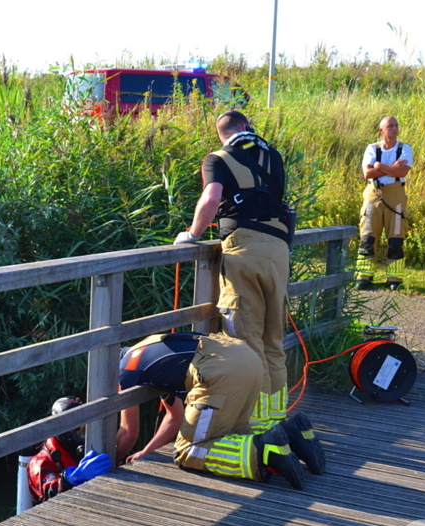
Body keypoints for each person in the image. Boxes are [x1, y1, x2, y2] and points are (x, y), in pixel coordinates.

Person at [173, 110, 291, 431]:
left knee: (247, 342)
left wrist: (192, 235)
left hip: (244, 248)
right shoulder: (274, 156)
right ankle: (275, 422)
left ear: (222, 134)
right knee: (273, 343)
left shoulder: (218, 158)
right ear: (246, 127)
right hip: (279, 248)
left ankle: (256, 426)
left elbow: (212, 197)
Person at [116, 332, 325, 489]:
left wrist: (113, 461)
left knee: (188, 450)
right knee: (230, 432)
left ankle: (263, 450)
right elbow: (174, 416)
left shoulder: (125, 371)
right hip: (245, 358)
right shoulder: (147, 352)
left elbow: (128, 433)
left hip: (218, 369)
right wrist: (146, 452)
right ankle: (292, 434)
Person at [355, 116, 412, 291]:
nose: (394, 128)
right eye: (390, 126)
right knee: (368, 237)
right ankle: (364, 276)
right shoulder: (371, 148)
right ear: (381, 130)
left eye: (396, 125)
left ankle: (394, 278)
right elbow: (367, 174)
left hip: (396, 193)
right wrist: (390, 167)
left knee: (396, 237)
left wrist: (379, 166)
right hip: (373, 193)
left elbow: (403, 170)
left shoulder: (405, 149)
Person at [26, 396, 112, 505]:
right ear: (65, 430)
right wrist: (71, 480)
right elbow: (48, 494)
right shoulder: (41, 462)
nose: (84, 436)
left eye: (86, 430)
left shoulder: (79, 448)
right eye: (80, 431)